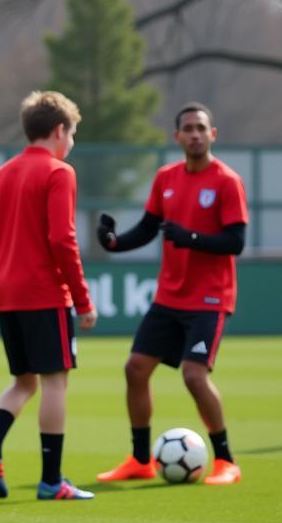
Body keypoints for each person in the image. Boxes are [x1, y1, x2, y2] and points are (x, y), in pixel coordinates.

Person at [95, 102, 247, 486]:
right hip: (169, 297)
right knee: (134, 369)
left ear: (213, 134)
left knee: (194, 376)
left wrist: (191, 237)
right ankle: (141, 459)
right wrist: (113, 243)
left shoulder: (227, 181)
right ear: (177, 137)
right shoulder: (166, 177)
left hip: (210, 298)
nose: (195, 134)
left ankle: (226, 461)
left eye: (201, 128)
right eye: (188, 128)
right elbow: (148, 228)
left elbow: (236, 241)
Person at [0, 91, 98, 502]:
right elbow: (63, 239)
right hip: (45, 293)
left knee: (23, 381)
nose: (72, 142)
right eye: (73, 134)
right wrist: (82, 300)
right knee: (55, 383)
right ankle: (51, 480)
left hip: (7, 293)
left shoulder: (4, 172)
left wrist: (11, 256)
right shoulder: (59, 172)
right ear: (60, 130)